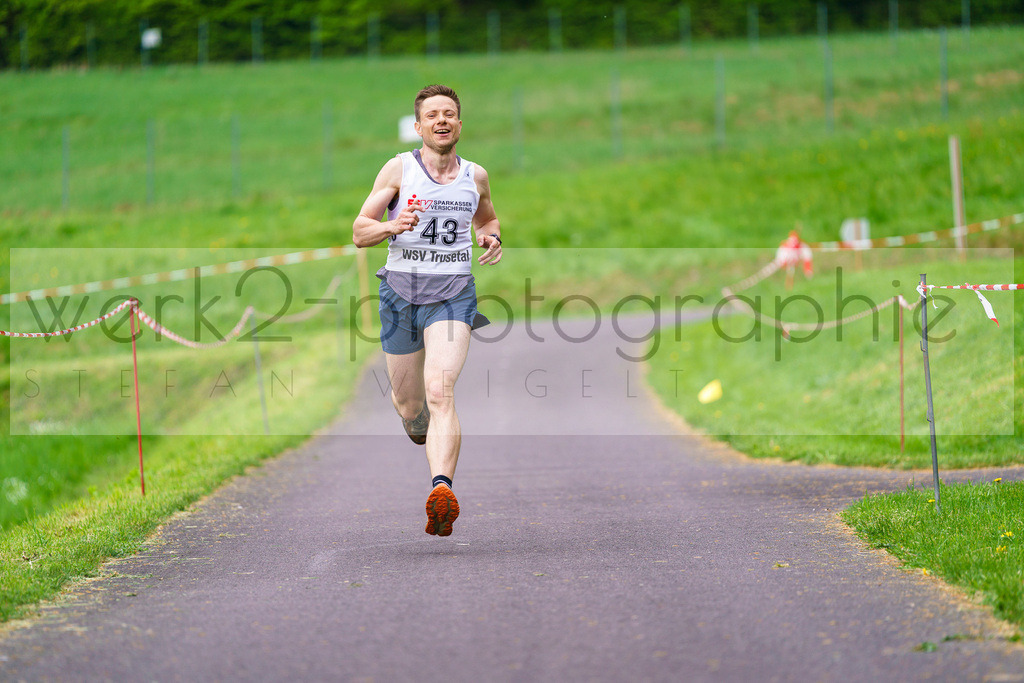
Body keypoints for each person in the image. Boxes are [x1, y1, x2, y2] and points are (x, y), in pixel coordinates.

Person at [353, 84, 502, 537]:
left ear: (459, 124)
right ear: (419, 126)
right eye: (433, 114)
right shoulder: (399, 169)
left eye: (450, 114)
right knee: (410, 404)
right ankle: (419, 426)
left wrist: (490, 236)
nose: (442, 120)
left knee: (440, 392)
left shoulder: (475, 177)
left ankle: (442, 488)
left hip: (453, 294)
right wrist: (391, 225)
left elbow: (489, 217)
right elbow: (360, 232)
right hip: (399, 294)